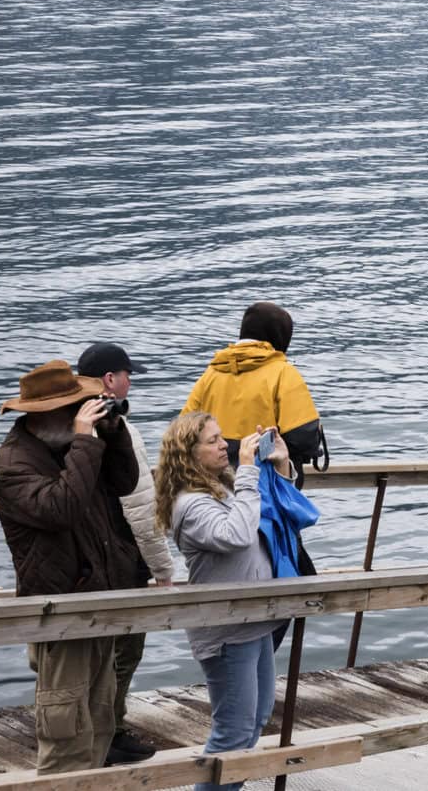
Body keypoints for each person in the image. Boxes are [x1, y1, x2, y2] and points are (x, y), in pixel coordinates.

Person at [0, 359, 145, 773]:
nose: (85, 412)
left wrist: (111, 435)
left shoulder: (70, 449)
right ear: (46, 415)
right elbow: (63, 509)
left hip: (98, 600)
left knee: (98, 722)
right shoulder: (13, 464)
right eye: (76, 407)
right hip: (59, 610)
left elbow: (125, 482)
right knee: (65, 733)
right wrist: (84, 441)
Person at [155, 411, 290, 791]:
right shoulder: (190, 504)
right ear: (188, 453)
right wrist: (247, 471)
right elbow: (237, 536)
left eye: (221, 437)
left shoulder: (220, 487)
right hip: (226, 630)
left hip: (252, 620)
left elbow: (270, 517)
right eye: (213, 441)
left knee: (256, 719)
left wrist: (278, 466)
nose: (224, 445)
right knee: (233, 731)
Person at [74, 343, 173, 767]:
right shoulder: (117, 428)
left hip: (84, 554)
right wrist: (162, 566)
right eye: (127, 374)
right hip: (119, 554)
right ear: (110, 380)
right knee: (125, 647)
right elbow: (138, 501)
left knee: (90, 650)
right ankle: (108, 733)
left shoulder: (72, 422)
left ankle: (93, 731)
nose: (131, 381)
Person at [184, 302, 328, 482]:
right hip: (266, 485)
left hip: (214, 483)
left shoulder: (210, 375)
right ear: (280, 337)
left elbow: (183, 432)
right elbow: (303, 438)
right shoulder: (283, 373)